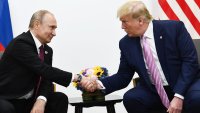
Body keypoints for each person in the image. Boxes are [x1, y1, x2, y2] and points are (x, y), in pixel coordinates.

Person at [81, 1, 200, 113]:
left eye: (124, 21)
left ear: (141, 21)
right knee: (132, 98)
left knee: (196, 98)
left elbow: (190, 62)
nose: (122, 27)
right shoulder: (126, 43)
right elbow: (123, 76)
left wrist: (179, 95)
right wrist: (99, 84)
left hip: (185, 85)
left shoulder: (174, 28)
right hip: (154, 90)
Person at [0, 10, 95, 113]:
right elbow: (44, 69)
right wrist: (78, 78)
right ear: (37, 24)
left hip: (28, 100)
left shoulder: (47, 50)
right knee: (6, 109)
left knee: (59, 98)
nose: (54, 33)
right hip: (6, 98)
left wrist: (41, 99)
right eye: (52, 27)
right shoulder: (20, 43)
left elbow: (46, 79)